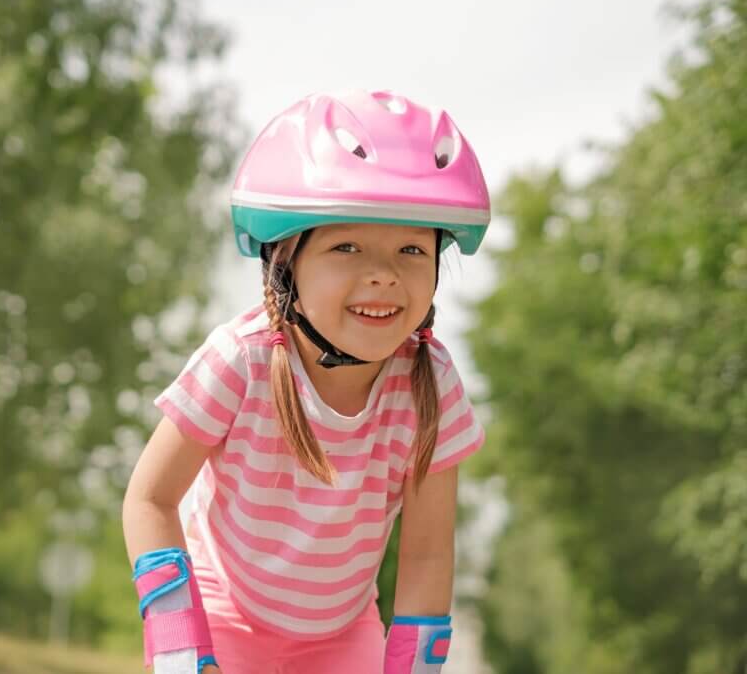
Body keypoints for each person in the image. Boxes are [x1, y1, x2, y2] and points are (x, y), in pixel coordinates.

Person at [122, 88, 491, 674]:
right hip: (222, 615)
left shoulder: (431, 386)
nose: (385, 275)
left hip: (342, 635)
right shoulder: (238, 362)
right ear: (285, 262)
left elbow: (424, 557)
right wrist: (180, 647)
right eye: (346, 245)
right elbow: (150, 499)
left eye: (412, 249)